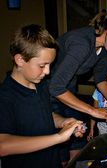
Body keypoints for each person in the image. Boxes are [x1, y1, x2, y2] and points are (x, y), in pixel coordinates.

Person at [49, 11, 107, 163]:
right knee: (59, 147)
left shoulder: (103, 49)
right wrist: (93, 110)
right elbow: (56, 87)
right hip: (47, 93)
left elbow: (100, 79)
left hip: (69, 91)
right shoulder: (82, 44)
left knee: (77, 138)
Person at [0, 24, 85, 168]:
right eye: (42, 65)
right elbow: (3, 145)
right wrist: (58, 138)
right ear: (20, 60)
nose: (47, 72)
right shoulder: (5, 96)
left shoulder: (41, 85)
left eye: (50, 65)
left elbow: (45, 115)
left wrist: (63, 122)